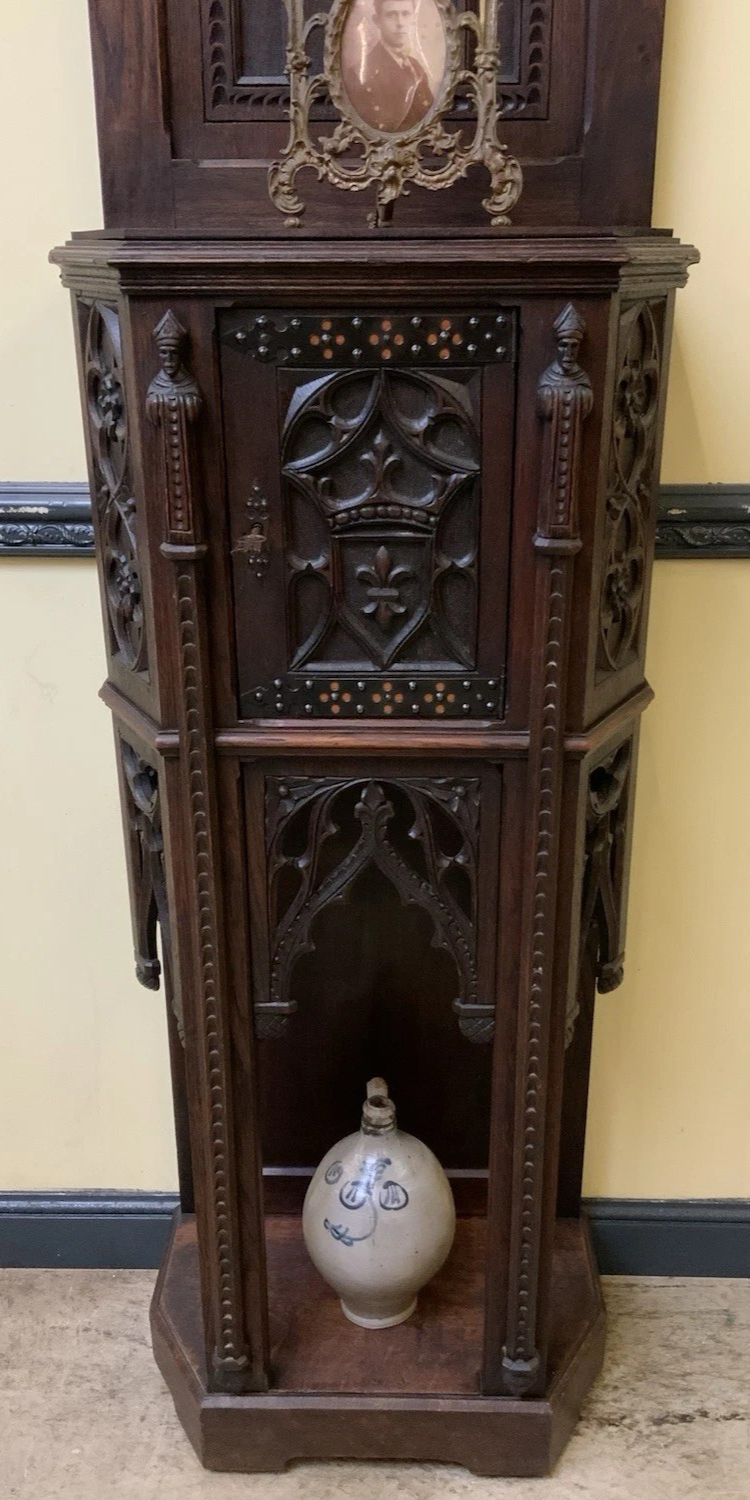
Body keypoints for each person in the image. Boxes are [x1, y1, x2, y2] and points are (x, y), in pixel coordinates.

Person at [344, 0, 435, 134]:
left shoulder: (415, 67)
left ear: (413, 19)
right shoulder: (359, 74)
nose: (400, 23)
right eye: (391, 15)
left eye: (406, 14)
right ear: (377, 21)